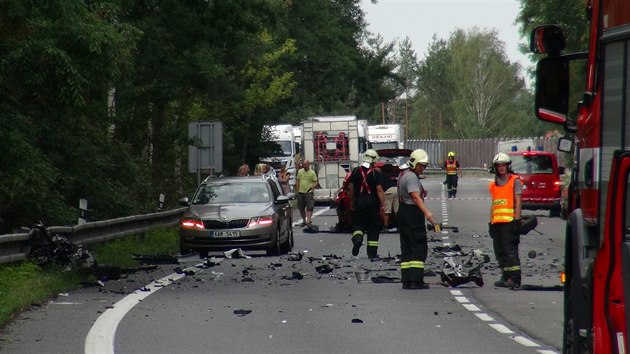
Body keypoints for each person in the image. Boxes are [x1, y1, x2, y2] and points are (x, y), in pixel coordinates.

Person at [397, 149, 438, 290]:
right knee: (418, 246)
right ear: (414, 163)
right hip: (412, 214)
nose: (422, 168)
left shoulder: (404, 174)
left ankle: (407, 280)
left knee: (407, 247)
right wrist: (428, 214)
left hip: (403, 212)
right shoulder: (411, 177)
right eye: (420, 165)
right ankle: (416, 280)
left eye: (424, 166)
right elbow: (415, 197)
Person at [488, 152, 523, 288]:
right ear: (495, 167)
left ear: (508, 166)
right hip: (497, 223)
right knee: (500, 251)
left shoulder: (515, 181)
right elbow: (493, 204)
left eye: (504, 165)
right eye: (499, 165)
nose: (501, 168)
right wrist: (490, 222)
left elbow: (519, 202)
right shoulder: (493, 184)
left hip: (509, 222)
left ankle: (515, 279)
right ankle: (505, 275)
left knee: (510, 251)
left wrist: (517, 220)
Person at [348, 149, 385, 259]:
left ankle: (358, 239)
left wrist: (352, 201)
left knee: (358, 224)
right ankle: (372, 253)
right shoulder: (375, 173)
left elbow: (351, 188)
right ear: (373, 161)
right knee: (373, 227)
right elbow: (379, 190)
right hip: (373, 203)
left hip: (359, 201)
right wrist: (383, 204)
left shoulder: (355, 171)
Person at [296, 160, 318, 226]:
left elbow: (316, 181)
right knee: (301, 207)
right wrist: (297, 190)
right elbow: (298, 181)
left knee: (309, 207)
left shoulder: (312, 173)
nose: (304, 166)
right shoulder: (300, 172)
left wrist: (312, 186)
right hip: (301, 191)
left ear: (308, 165)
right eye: (303, 164)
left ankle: (308, 220)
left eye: (306, 164)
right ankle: (304, 220)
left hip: (309, 192)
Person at [380, 164, 399, 232]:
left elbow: (379, 188)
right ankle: (399, 227)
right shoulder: (392, 176)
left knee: (387, 210)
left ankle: (385, 227)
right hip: (396, 190)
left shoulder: (381, 175)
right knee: (397, 210)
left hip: (388, 191)